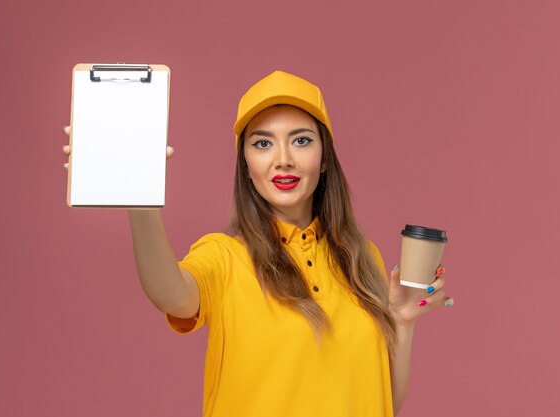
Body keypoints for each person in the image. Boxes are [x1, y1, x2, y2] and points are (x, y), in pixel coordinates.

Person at [62, 70, 454, 417]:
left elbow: (381, 401)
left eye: (300, 141)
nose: (282, 159)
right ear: (246, 168)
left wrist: (402, 323)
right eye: (263, 144)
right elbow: (170, 294)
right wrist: (140, 197)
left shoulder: (360, 256)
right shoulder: (225, 256)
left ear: (324, 159)